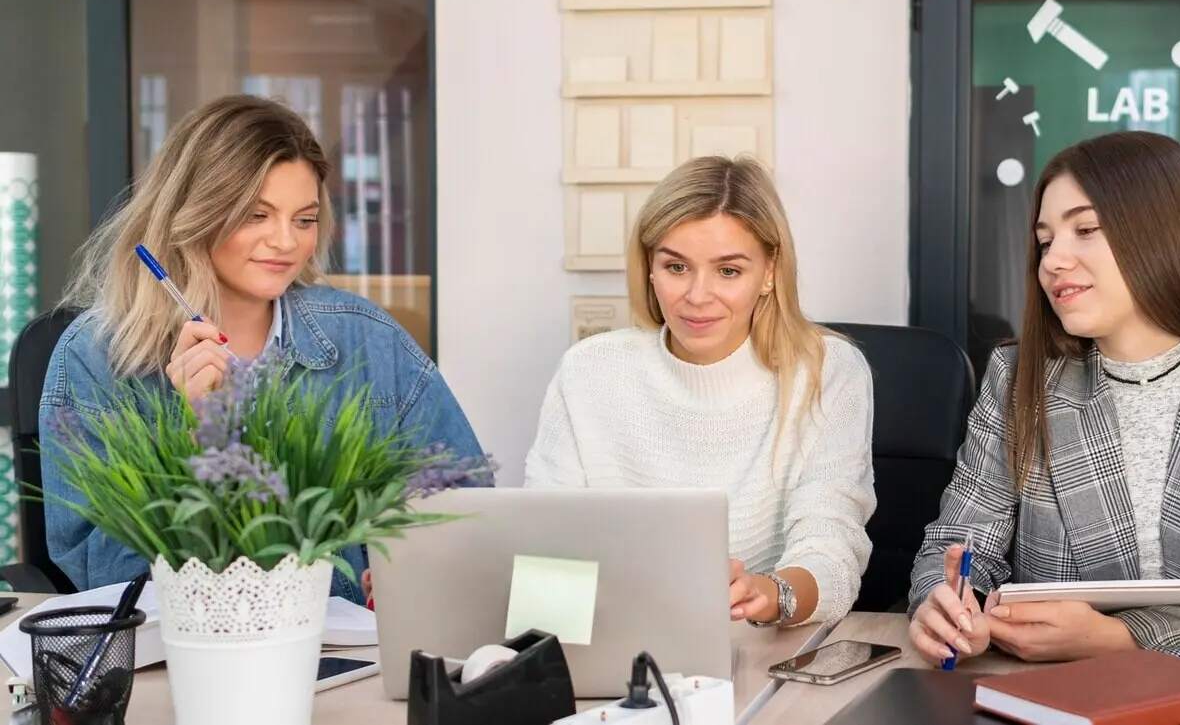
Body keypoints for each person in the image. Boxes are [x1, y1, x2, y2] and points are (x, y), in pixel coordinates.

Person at [908, 130, 1180, 665]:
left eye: (1086, 229)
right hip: (1052, 698)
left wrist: (1124, 638)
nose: (1053, 261)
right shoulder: (1018, 376)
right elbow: (958, 545)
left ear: (1164, 233)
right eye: (1046, 240)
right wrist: (948, 606)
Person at [38, 94, 486, 604]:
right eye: (257, 214)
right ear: (195, 213)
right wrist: (200, 435)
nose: (287, 242)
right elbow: (105, 577)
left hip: (356, 653)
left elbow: (465, 503)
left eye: (304, 219)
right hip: (190, 660)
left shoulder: (368, 339)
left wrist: (406, 566)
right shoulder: (97, 358)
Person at [523, 155, 877, 628]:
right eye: (676, 267)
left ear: (770, 271)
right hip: (614, 642)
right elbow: (542, 544)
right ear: (650, 266)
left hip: (761, 650)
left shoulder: (826, 371)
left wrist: (772, 594)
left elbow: (832, 545)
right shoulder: (589, 371)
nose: (696, 295)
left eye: (728, 271)